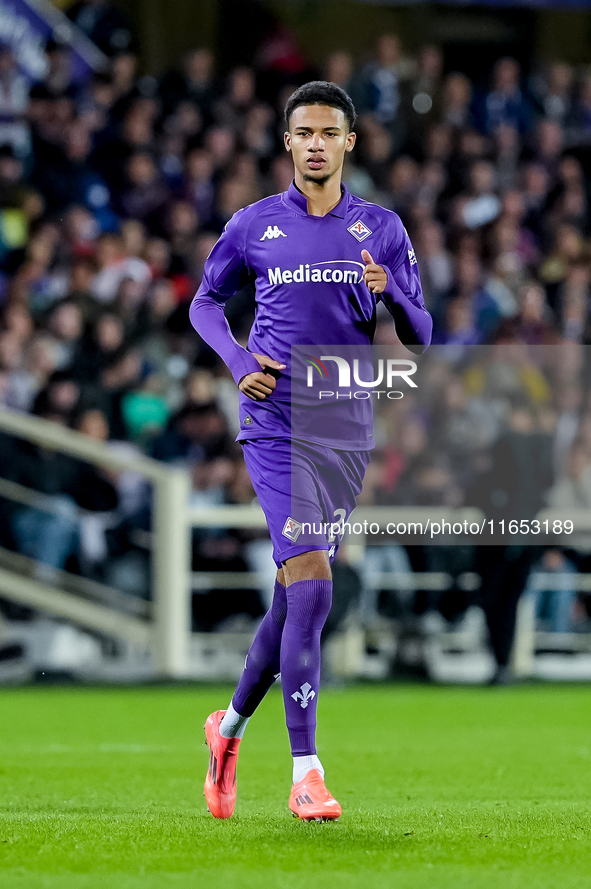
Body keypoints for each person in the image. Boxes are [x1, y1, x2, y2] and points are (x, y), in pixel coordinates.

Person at [189, 81, 432, 821]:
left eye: (330, 132)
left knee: (293, 594)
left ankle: (226, 728)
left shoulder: (381, 229)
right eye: (304, 133)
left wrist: (391, 293)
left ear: (349, 143)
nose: (317, 143)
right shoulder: (253, 225)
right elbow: (204, 302)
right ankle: (306, 771)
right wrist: (236, 363)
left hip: (343, 426)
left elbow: (424, 335)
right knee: (316, 585)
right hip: (273, 420)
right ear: (287, 142)